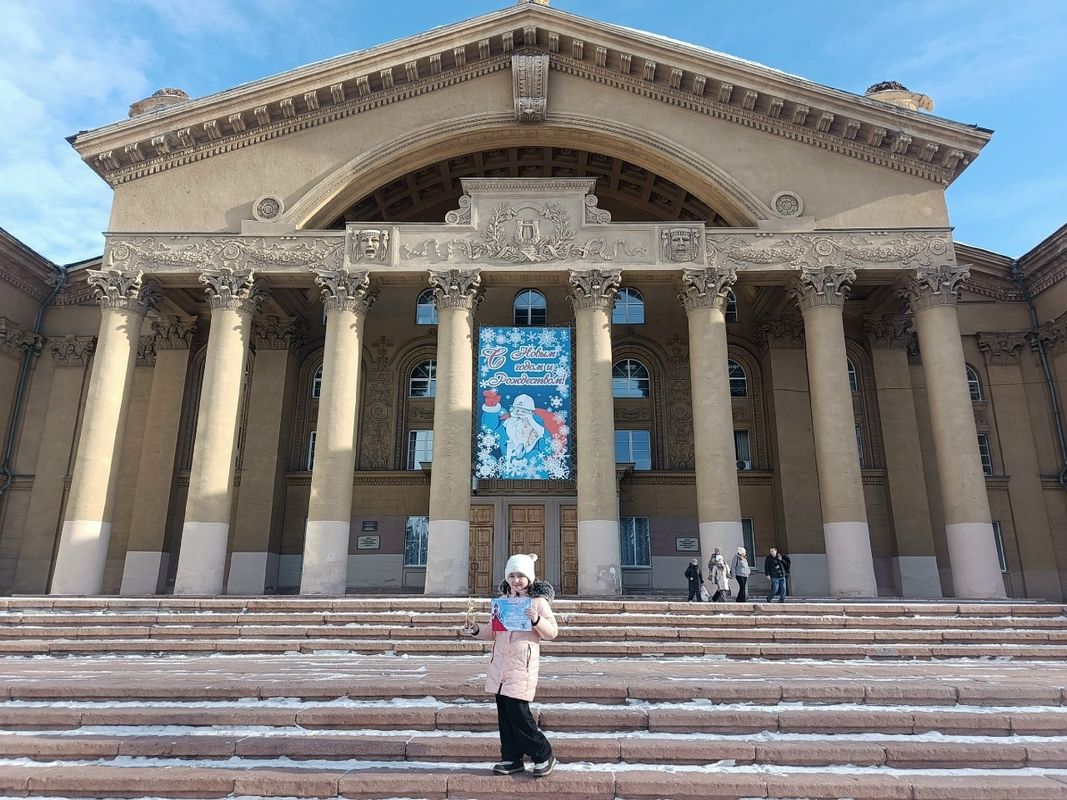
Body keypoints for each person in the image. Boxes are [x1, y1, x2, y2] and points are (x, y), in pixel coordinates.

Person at [463, 553, 559, 777]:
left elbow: (552, 632)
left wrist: (536, 620)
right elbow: (493, 631)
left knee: (519, 715)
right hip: (500, 667)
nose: (516, 580)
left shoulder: (538, 602)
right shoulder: (502, 602)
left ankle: (544, 755)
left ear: (529, 578)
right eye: (512, 575)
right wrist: (476, 629)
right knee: (505, 716)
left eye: (521, 576)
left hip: (521, 667)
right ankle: (511, 758)